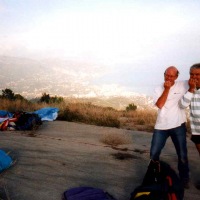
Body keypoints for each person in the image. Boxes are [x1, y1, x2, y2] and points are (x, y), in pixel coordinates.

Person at [150, 66, 190, 188]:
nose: (168, 78)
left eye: (171, 76)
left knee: (182, 154)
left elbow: (196, 80)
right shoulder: (158, 88)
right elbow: (160, 104)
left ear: (176, 77)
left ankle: (184, 179)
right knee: (154, 153)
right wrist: (166, 89)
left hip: (178, 125)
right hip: (161, 126)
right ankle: (155, 175)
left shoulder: (183, 84)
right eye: (166, 75)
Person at [179, 63, 200, 189]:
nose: (194, 77)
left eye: (197, 74)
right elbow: (182, 105)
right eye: (192, 74)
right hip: (196, 130)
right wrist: (191, 89)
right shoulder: (190, 88)